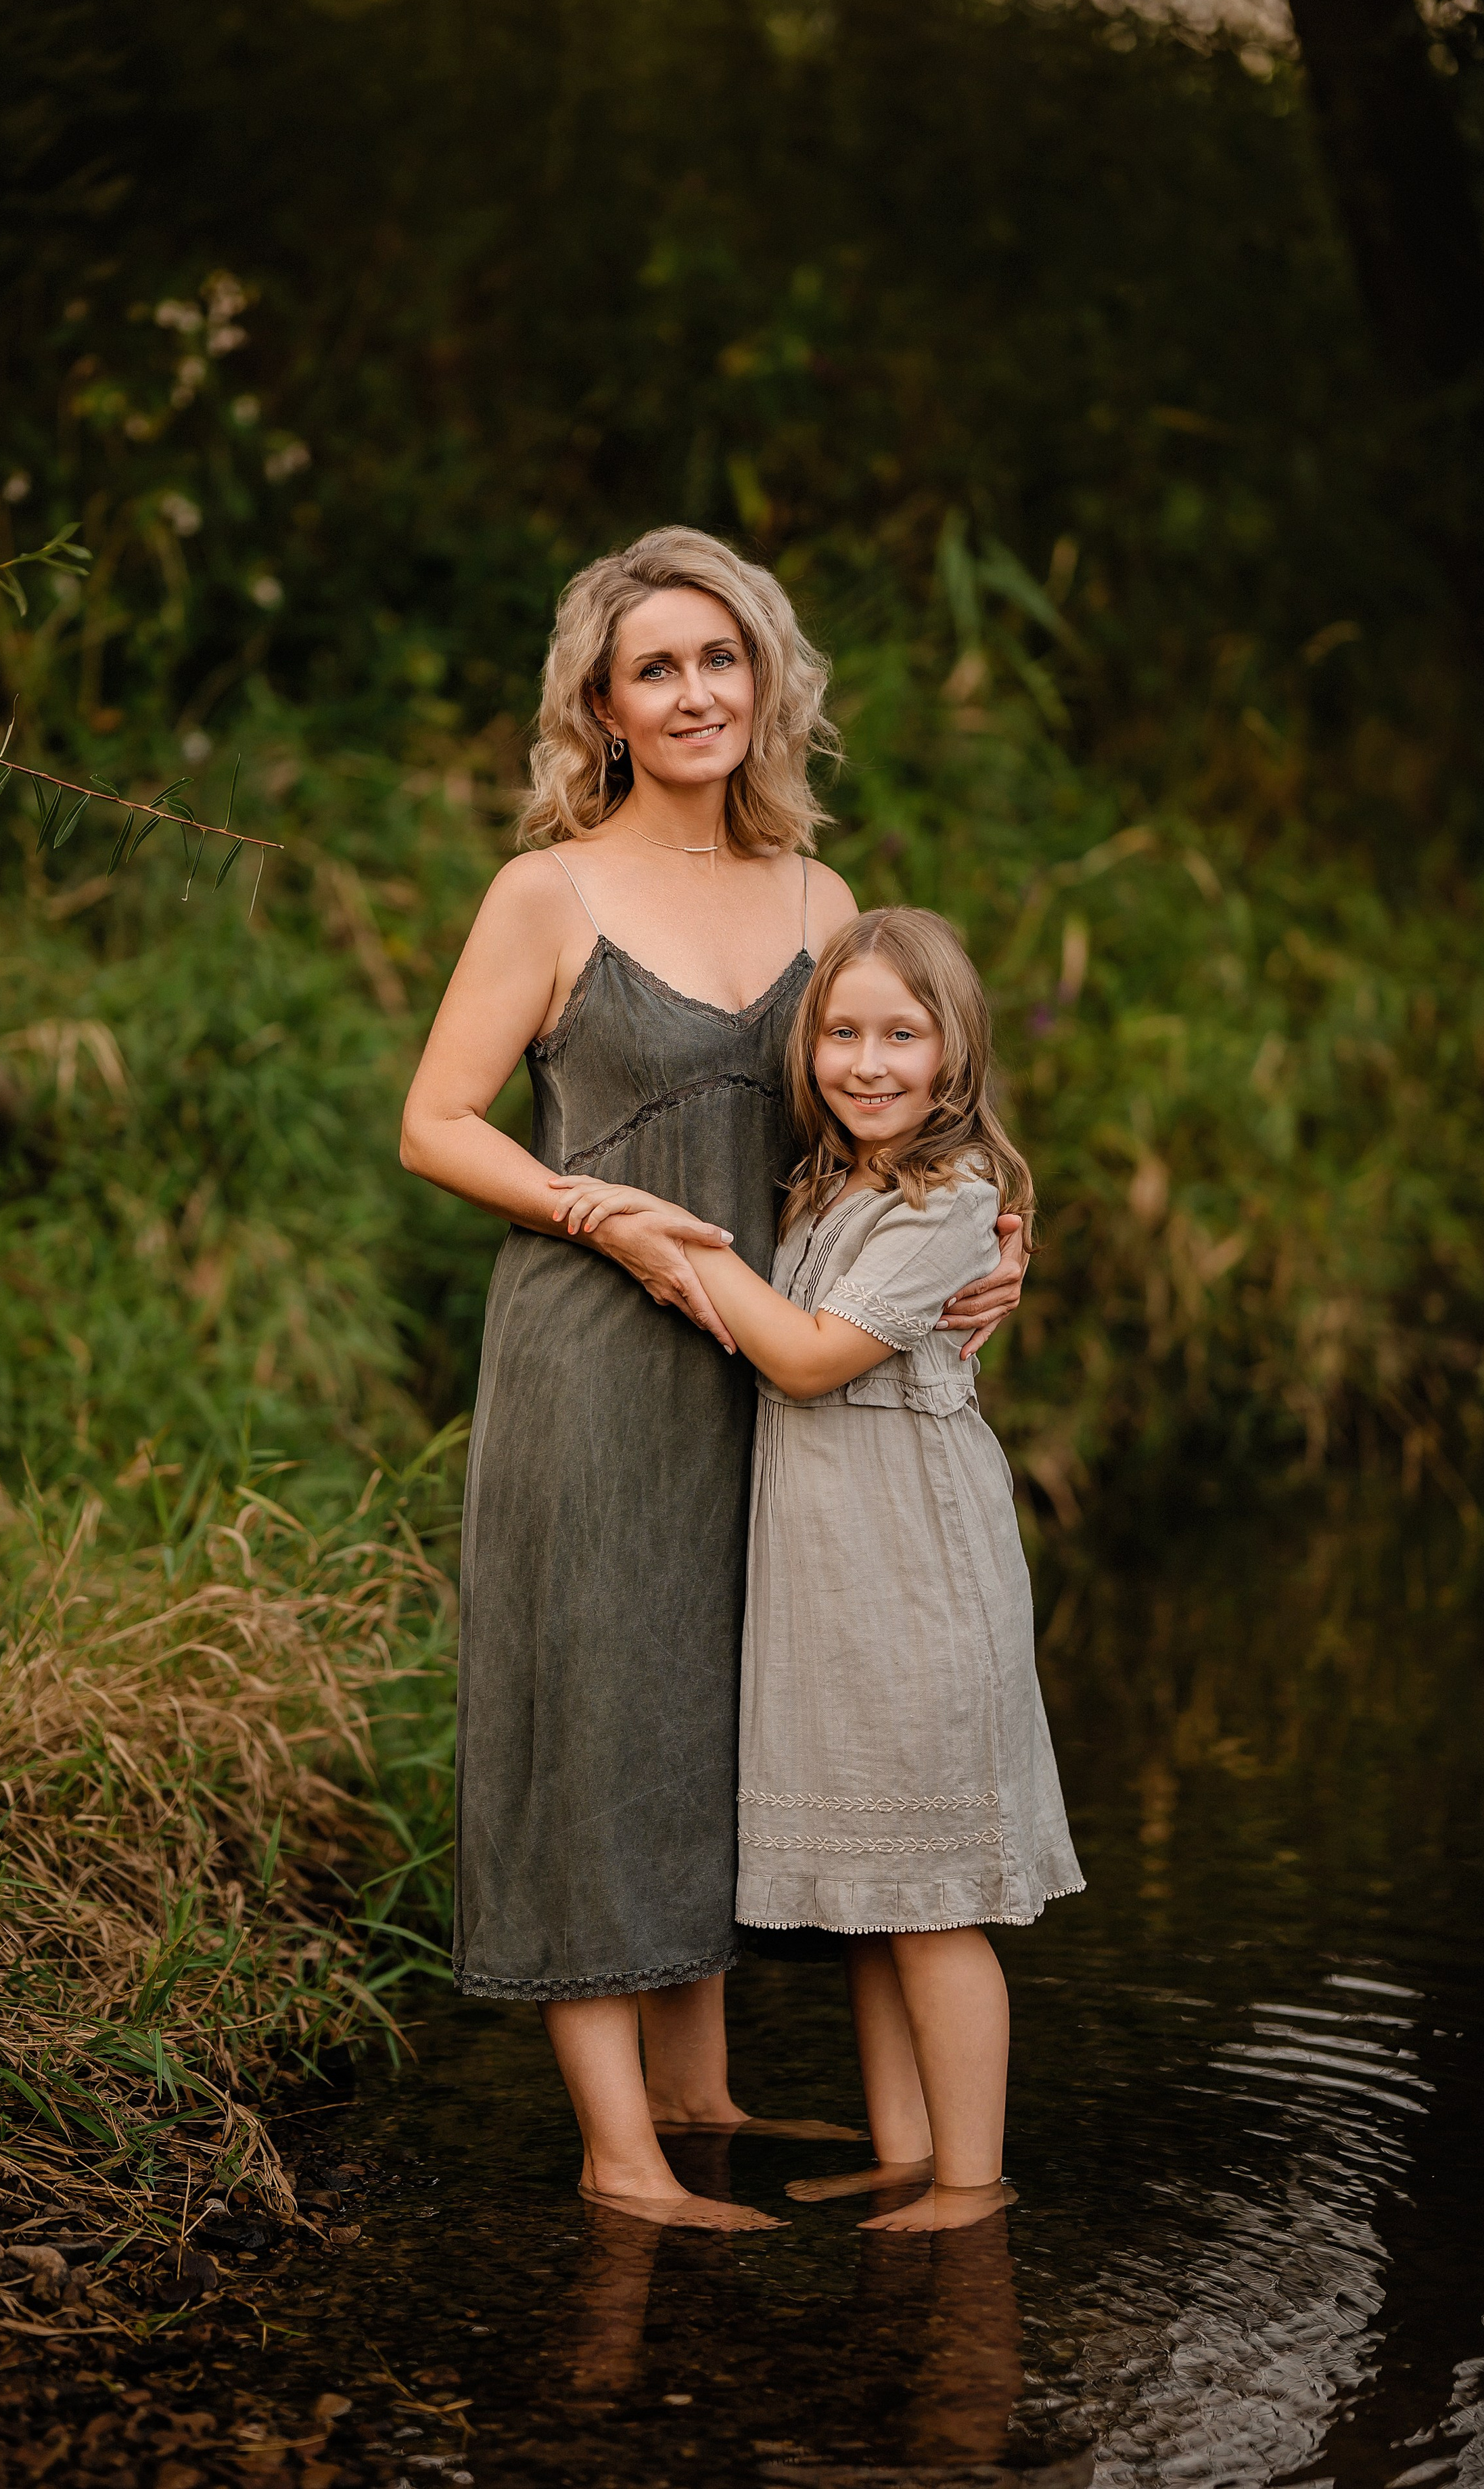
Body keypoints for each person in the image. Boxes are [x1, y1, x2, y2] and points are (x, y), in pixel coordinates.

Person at [400, 532, 1029, 2230]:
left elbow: (895, 1105)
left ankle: (701, 2092)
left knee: (723, 1716)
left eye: (718, 660)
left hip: (778, 1371)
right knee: (598, 1720)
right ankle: (621, 2163)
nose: (692, 695)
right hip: (598, 1360)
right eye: (652, 670)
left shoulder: (821, 899)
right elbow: (433, 1123)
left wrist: (996, 1240)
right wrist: (607, 1221)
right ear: (599, 709)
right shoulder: (548, 890)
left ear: (766, 685)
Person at [551, 906, 1082, 2232]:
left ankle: (969, 2180)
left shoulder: (952, 1199)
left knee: (935, 1897)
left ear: (955, 1055)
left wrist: (675, 1246)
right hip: (835, 1573)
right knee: (874, 1890)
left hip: (914, 1571)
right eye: (840, 1034)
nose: (866, 1063)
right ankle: (903, 2153)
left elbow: (799, 1357)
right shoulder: (828, 1178)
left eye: (901, 1036)